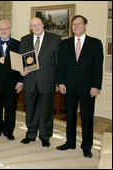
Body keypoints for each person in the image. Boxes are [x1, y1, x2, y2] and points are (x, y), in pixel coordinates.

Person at [56, 15, 103, 158]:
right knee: (70, 116)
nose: (76, 26)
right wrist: (61, 82)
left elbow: (98, 67)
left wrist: (96, 86)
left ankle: (87, 146)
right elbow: (61, 65)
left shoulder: (95, 43)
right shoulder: (65, 44)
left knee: (87, 117)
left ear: (85, 25)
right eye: (74, 24)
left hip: (88, 88)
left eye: (79, 24)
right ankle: (70, 142)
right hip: (69, 87)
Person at [19, 17, 61, 147]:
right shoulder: (24, 39)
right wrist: (22, 71)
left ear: (43, 25)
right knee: (30, 109)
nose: (36, 27)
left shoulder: (55, 39)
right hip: (30, 80)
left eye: (38, 24)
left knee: (46, 110)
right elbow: (21, 60)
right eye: (33, 25)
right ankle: (30, 134)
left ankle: (45, 136)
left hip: (47, 80)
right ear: (30, 27)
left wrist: (59, 82)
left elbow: (59, 62)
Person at [0, 20, 22, 140]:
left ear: (10, 30)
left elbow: (22, 66)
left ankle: (8, 132)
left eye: (6, 28)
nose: (3, 31)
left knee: (11, 109)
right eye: (1, 29)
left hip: (12, 83)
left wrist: (20, 81)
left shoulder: (18, 44)